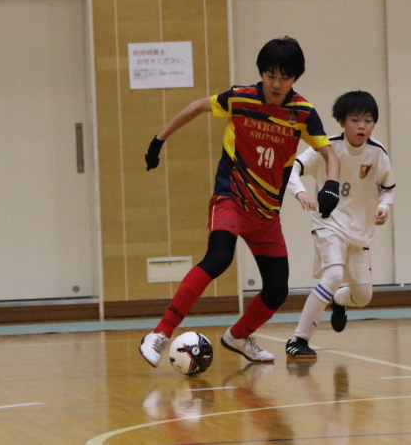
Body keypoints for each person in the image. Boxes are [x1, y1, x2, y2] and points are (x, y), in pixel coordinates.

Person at [139, 36, 341, 368]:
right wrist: (158, 140)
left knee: (277, 290)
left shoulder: (302, 113)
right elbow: (198, 106)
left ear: (295, 78)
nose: (276, 84)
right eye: (270, 75)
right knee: (218, 258)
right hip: (230, 198)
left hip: (266, 214)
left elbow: (329, 154)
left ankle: (238, 336)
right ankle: (160, 333)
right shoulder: (240, 98)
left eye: (285, 77)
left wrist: (331, 185)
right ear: (261, 72)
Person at [284, 90, 395, 358]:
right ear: (342, 122)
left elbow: (388, 189)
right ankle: (298, 339)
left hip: (360, 232)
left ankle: (337, 299)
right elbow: (291, 169)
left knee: (363, 297)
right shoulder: (326, 147)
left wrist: (384, 207)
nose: (361, 126)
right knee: (333, 275)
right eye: (355, 120)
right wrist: (300, 192)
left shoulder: (378, 153)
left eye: (368, 121)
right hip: (328, 223)